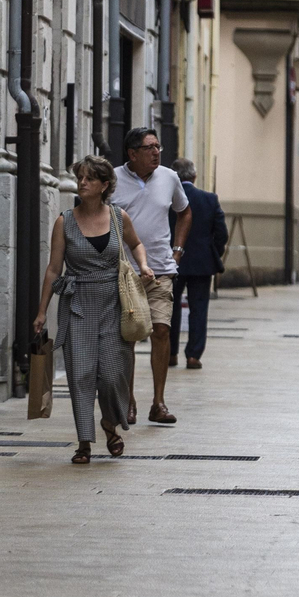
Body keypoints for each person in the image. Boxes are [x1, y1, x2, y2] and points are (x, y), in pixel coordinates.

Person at [33, 155, 155, 463]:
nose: (82, 183)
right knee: (81, 376)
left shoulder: (118, 217)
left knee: (114, 375)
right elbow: (52, 269)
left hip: (116, 305)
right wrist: (42, 311)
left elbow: (136, 243)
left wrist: (143, 264)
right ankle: (84, 442)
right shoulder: (65, 221)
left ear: (104, 185)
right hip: (78, 307)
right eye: (80, 178)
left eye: (89, 178)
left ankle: (109, 424)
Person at [111, 127, 191, 425]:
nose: (157, 152)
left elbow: (185, 212)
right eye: (150, 148)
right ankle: (128, 400)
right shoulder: (114, 178)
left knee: (161, 332)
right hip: (124, 273)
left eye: (158, 146)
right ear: (132, 154)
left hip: (161, 270)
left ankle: (158, 402)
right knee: (128, 337)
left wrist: (177, 250)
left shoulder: (169, 177)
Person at [169, 159, 225, 370]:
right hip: (202, 263)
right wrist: (213, 254)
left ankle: (170, 353)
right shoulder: (209, 199)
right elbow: (221, 233)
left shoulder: (168, 198)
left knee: (169, 308)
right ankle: (193, 355)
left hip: (171, 261)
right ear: (194, 177)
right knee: (199, 308)